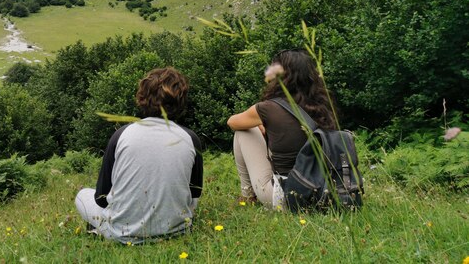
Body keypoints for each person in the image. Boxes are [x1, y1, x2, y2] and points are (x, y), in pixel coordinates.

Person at [75, 67, 203, 244]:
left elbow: (101, 199)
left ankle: (99, 229)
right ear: (181, 102)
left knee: (82, 195)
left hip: (122, 234)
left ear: (142, 98)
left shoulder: (121, 135)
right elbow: (194, 194)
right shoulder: (191, 138)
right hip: (177, 231)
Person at [227, 49, 337, 207]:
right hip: (324, 189)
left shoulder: (269, 108)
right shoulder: (324, 105)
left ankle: (248, 195)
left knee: (243, 132)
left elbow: (232, 122)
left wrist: (259, 123)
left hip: (288, 195)